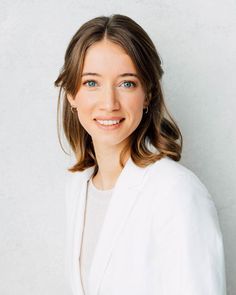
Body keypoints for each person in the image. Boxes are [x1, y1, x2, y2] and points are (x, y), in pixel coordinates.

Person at [54, 14, 227, 295]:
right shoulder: (77, 187)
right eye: (91, 83)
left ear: (147, 94)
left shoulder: (176, 190)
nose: (109, 103)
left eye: (126, 83)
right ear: (72, 94)